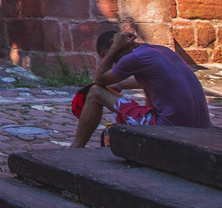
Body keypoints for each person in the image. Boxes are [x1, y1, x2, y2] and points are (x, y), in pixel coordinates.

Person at [69, 26, 211, 148]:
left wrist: (114, 50)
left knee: (95, 92)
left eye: (110, 58)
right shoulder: (161, 50)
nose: (114, 62)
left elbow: (100, 80)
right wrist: (120, 85)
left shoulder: (134, 58)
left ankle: (76, 147)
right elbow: (156, 79)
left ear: (116, 45)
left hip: (170, 127)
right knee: (148, 87)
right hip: (201, 125)